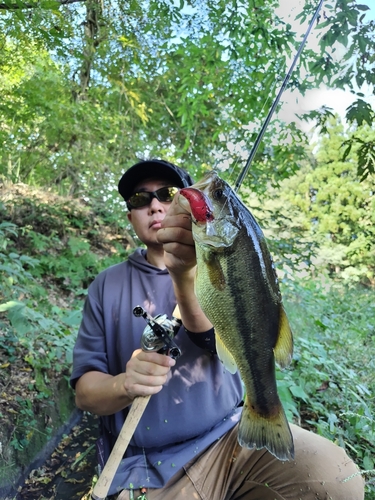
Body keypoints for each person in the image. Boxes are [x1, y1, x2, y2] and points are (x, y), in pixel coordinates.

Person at [70, 159, 365, 500]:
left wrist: (182, 274)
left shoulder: (213, 259)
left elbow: (212, 339)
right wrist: (124, 383)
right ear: (130, 216)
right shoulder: (106, 285)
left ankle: (262, 422)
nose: (153, 204)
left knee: (335, 478)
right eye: (139, 199)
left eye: (166, 193)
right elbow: (85, 393)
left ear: (184, 202)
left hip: (230, 437)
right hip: (151, 467)